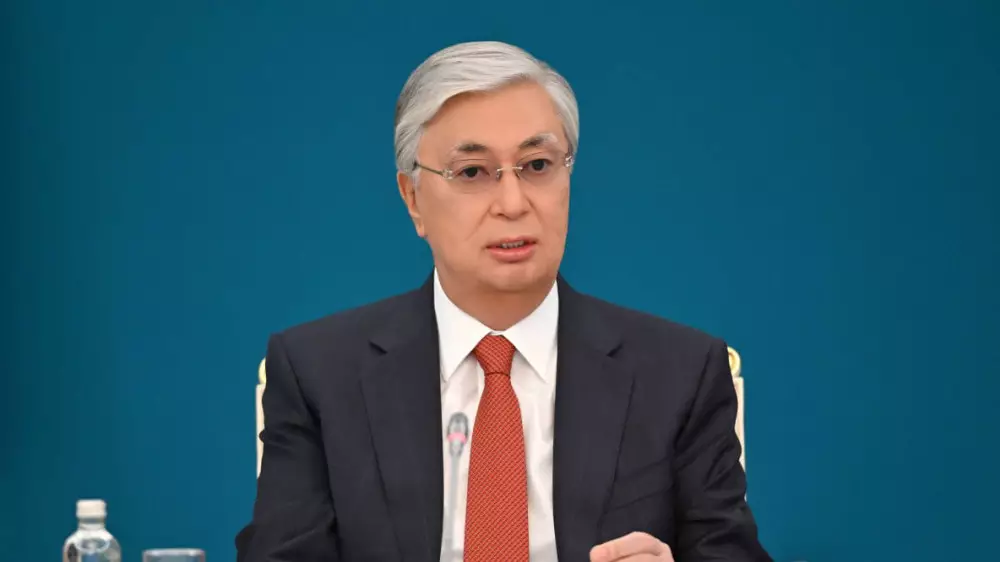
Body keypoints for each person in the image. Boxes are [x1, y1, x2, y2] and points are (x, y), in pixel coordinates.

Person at [236, 41, 770, 562]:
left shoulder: (680, 374)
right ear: (413, 198)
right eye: (472, 172)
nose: (513, 204)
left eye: (537, 165)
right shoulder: (320, 375)